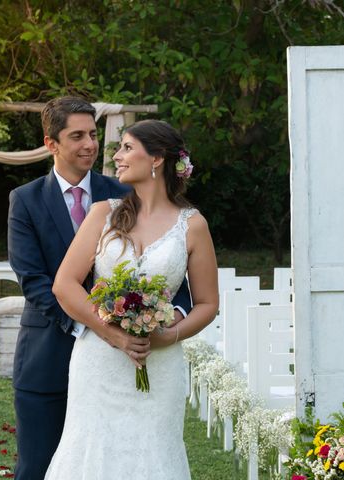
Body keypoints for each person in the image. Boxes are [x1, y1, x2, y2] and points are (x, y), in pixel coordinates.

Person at [7, 98, 192, 479]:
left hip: (129, 360)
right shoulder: (25, 200)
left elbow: (171, 268)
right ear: (51, 143)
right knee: (39, 465)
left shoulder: (127, 191)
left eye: (92, 134)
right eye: (77, 136)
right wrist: (99, 329)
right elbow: (36, 282)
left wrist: (161, 322)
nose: (90, 144)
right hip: (49, 352)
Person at [45, 119, 219, 479]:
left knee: (154, 451)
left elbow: (207, 303)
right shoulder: (103, 213)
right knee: (90, 451)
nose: (117, 156)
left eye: (126, 147)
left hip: (160, 365)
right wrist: (113, 333)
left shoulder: (192, 224)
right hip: (98, 363)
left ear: (156, 158)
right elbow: (64, 284)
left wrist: (168, 335)